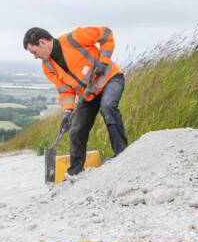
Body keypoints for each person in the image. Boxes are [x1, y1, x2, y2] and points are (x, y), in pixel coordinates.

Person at [23, 26, 129, 176]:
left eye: (34, 52)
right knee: (76, 129)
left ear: (42, 42)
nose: (35, 56)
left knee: (107, 107)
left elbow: (106, 34)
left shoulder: (73, 38)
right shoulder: (48, 66)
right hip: (89, 94)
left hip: (110, 79)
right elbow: (65, 90)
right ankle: (75, 172)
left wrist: (103, 61)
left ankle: (123, 155)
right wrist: (67, 111)